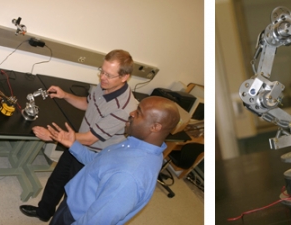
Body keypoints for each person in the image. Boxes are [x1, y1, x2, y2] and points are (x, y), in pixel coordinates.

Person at [20, 49, 138, 222]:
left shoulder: (124, 108)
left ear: (124, 77)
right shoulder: (105, 84)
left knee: (73, 196)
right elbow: (87, 103)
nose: (102, 77)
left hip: (94, 156)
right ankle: (44, 212)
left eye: (109, 75)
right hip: (77, 144)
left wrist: (53, 135)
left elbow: (91, 138)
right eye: (102, 71)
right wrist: (65, 95)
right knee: (56, 180)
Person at [47, 96, 180, 225]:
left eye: (139, 112)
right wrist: (73, 144)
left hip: (77, 217)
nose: (131, 113)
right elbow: (97, 163)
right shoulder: (133, 144)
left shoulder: (129, 176)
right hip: (75, 203)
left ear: (155, 127)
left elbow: (97, 221)